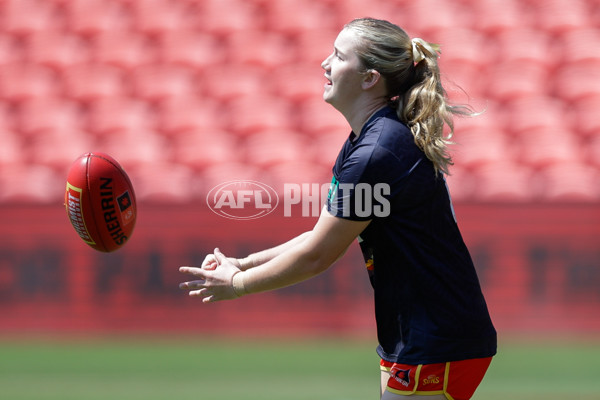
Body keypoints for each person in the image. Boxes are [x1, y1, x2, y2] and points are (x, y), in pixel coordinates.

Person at [179, 17, 497, 400]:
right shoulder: (368, 141)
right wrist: (243, 264)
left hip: (436, 338)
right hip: (426, 336)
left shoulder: (376, 151)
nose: (324, 64)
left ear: (369, 79)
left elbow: (318, 256)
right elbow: (320, 237)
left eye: (338, 56)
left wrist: (238, 286)